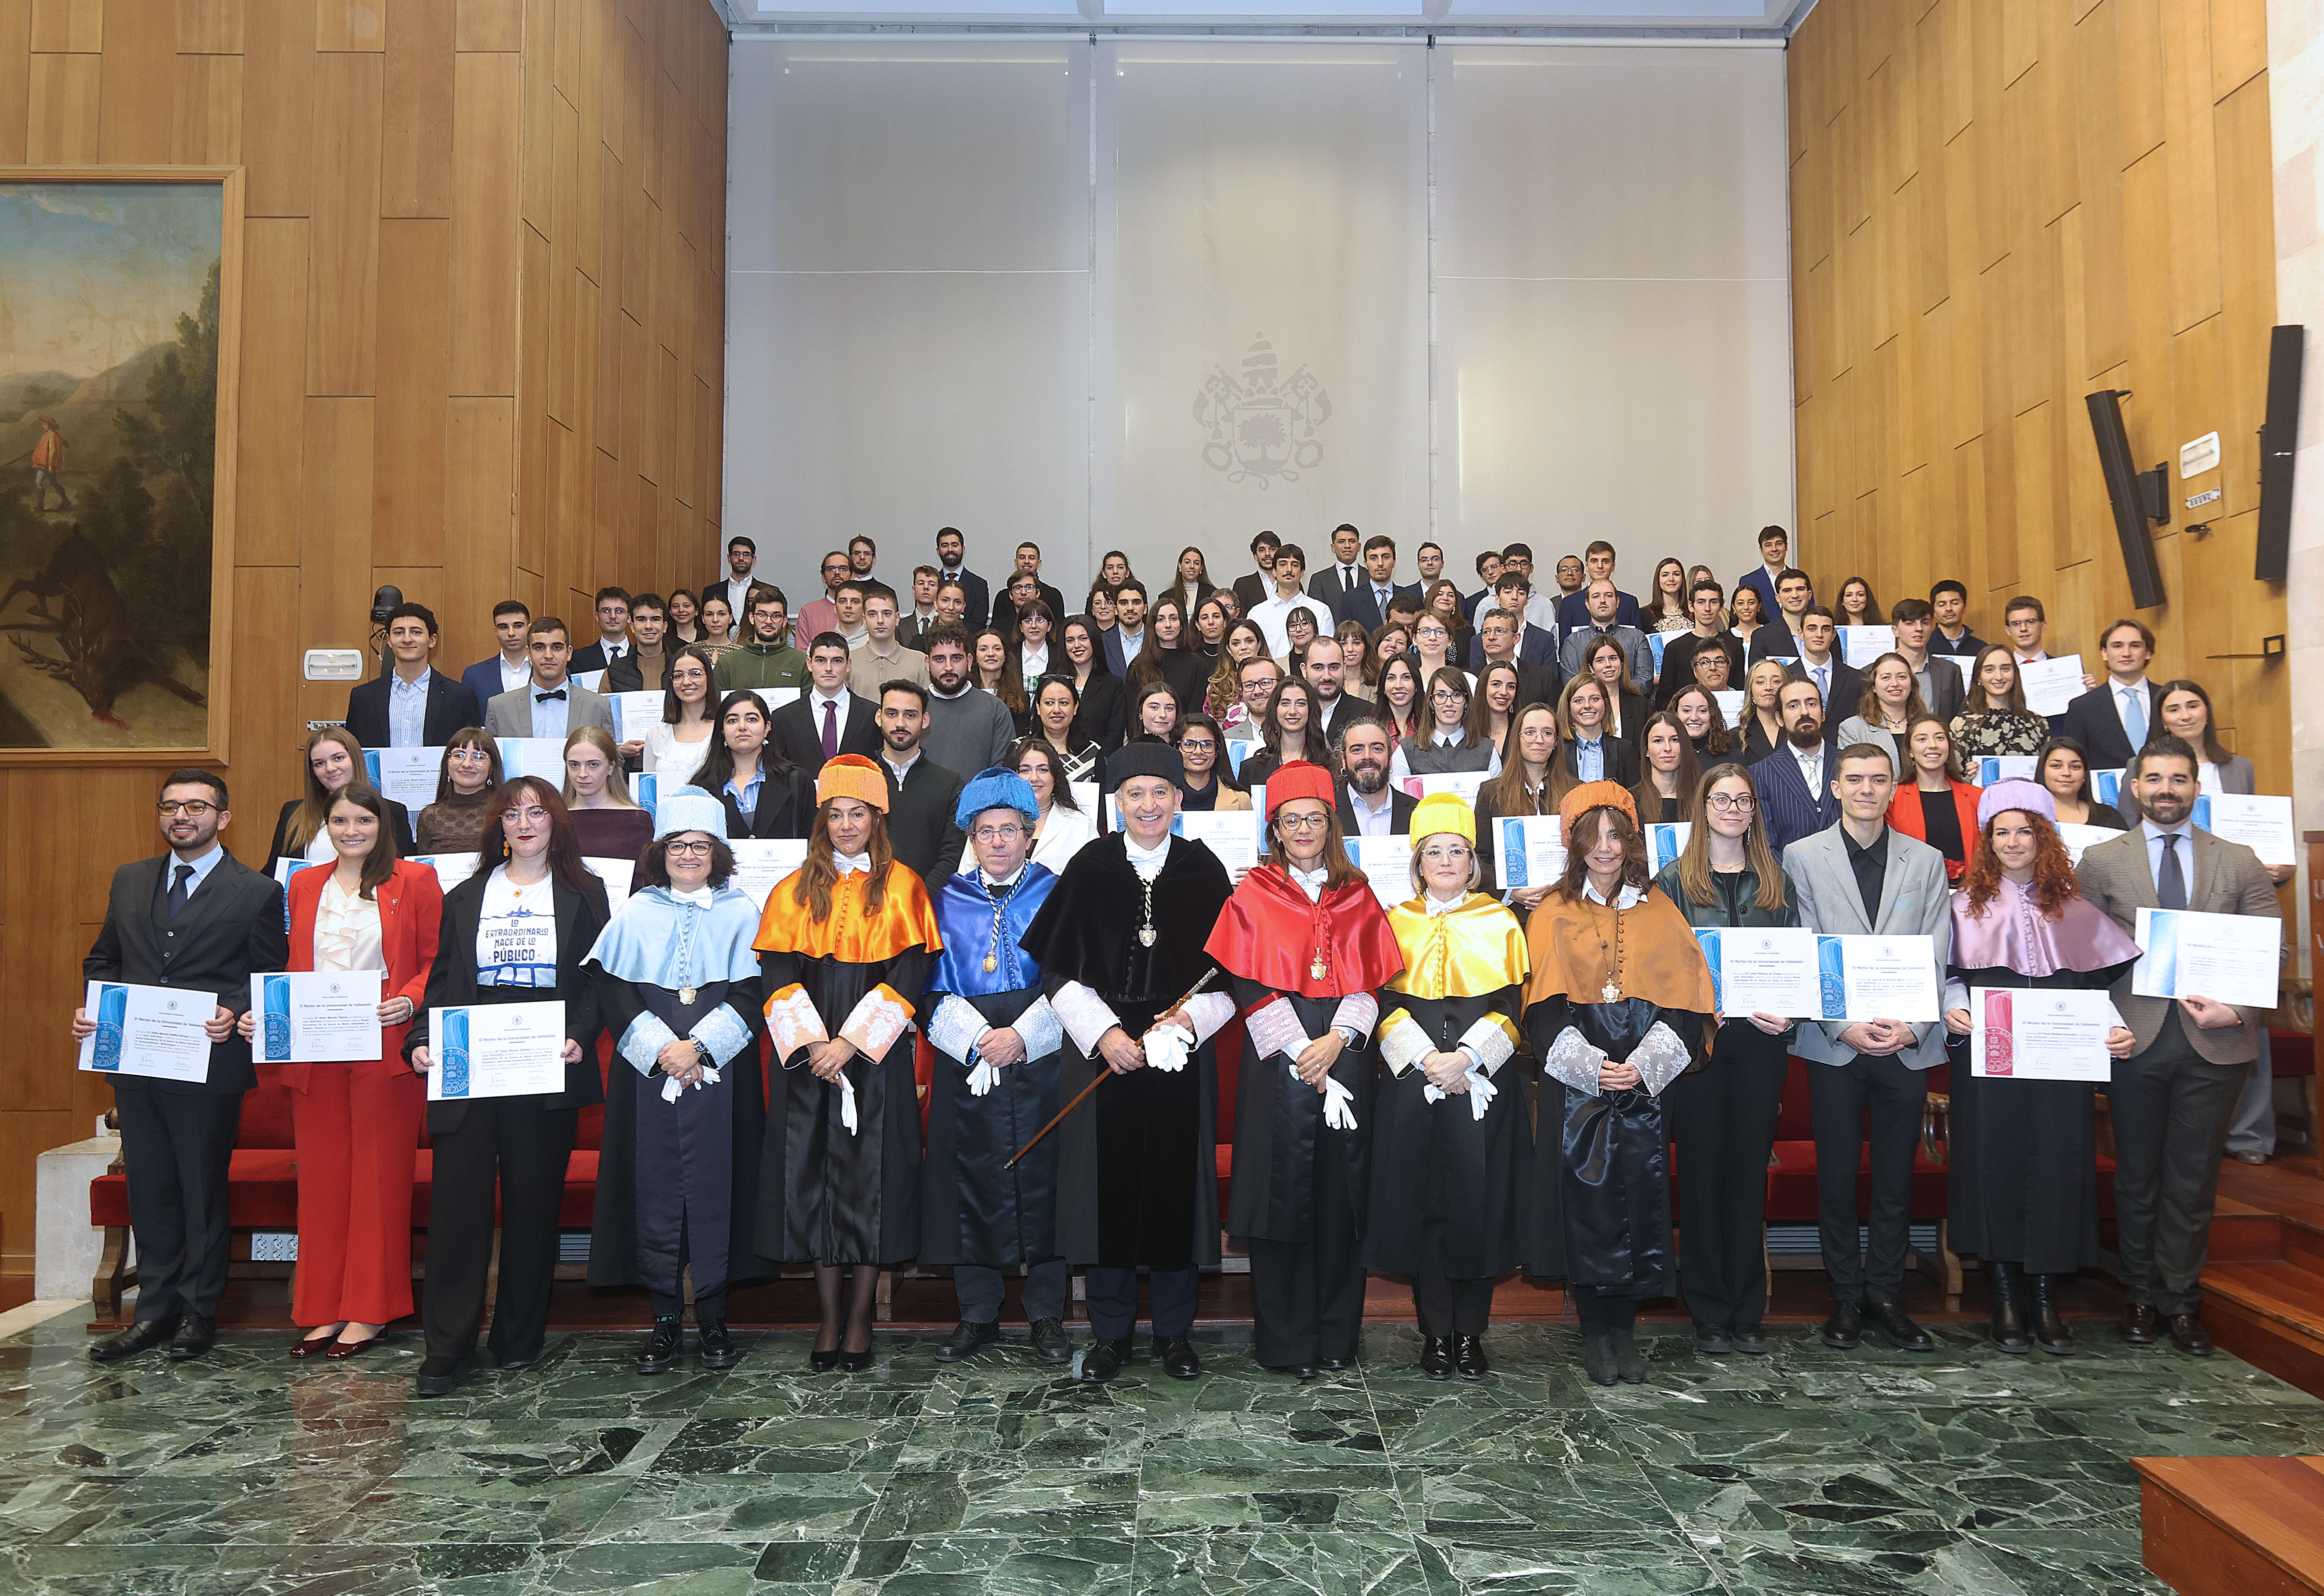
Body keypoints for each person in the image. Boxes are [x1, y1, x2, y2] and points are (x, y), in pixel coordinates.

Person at [1018, 743, 1238, 1383]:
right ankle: (1111, 1335)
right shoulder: (1090, 866)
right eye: (1136, 794)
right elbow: (1056, 971)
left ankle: (1174, 1333)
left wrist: (1188, 1024)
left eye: (1160, 793)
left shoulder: (1204, 869)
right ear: (1118, 802)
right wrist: (1105, 1034)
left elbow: (1229, 980)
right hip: (1104, 1055)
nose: (1148, 806)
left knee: (1176, 1190)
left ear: (1178, 799)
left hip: (1177, 1054)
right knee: (1103, 1192)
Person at [2074, 736, 2281, 1356]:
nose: (2167, 789)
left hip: (2216, 1042)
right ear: (2133, 788)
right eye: (2155, 778)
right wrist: (2098, 1021)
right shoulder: (2103, 861)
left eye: (2179, 779)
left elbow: (2273, 950)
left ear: (2196, 787)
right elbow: (2081, 958)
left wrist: (2236, 1008)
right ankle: (2138, 1295)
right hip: (2134, 1038)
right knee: (2137, 1176)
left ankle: (2181, 1301)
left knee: (2192, 1178)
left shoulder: (2240, 859)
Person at [405, 777, 609, 1397]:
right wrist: (420, 1038)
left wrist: (579, 1032)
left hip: (545, 1060)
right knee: (458, 1209)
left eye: (537, 813)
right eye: (513, 814)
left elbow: (599, 979)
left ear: (557, 823)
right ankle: (448, 1348)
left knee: (532, 1205)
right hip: (472, 1059)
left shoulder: (586, 891)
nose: (524, 824)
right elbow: (441, 981)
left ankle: (520, 1338)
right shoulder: (466, 894)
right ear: (497, 824)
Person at [78, 772, 289, 1364]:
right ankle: (153, 1313)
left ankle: (200, 1312)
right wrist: (98, 1008)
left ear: (223, 817)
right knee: (150, 1190)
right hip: (137, 1062)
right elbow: (103, 959)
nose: (181, 816)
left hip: (209, 1062)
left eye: (196, 806)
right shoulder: (130, 879)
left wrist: (236, 1011)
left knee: (200, 1190)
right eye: (170, 806)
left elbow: (268, 976)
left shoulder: (257, 891)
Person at [1208, 762, 1402, 1378]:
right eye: (1290, 820)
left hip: (1344, 1060)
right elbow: (1244, 979)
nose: (1302, 830)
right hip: (1277, 1066)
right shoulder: (1254, 893)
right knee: (1279, 1203)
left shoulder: (1358, 892)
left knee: (1338, 1202)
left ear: (1330, 824)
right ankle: (1286, 1341)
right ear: (1275, 828)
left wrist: (1339, 1040)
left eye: (1313, 818)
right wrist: (1300, 1048)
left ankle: (1337, 1335)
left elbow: (1375, 977)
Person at [754, 755, 943, 1371]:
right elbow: (778, 974)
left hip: (874, 1059)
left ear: (877, 817)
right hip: (808, 1062)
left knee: (870, 1184)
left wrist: (851, 1044)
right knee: (813, 1182)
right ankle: (828, 1314)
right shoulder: (790, 890)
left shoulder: (905, 886)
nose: (845, 825)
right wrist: (814, 1044)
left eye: (856, 813)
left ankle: (861, 1315)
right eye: (834, 814)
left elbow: (911, 973)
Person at [1938, 779, 2140, 1355]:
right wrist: (1953, 1006)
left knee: (2056, 1168)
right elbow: (1951, 973)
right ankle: (2004, 1296)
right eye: (2000, 831)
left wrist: (2113, 1026)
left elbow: (2089, 982)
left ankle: (2045, 1297)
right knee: (1992, 1166)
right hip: (1989, 1063)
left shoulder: (2075, 910)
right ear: (1987, 840)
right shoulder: (1961, 906)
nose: (2012, 841)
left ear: (2044, 837)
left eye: (2024, 830)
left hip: (2058, 1067)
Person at [1525, 782, 1715, 1385]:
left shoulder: (1662, 908)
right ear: (1575, 844)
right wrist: (1588, 1064)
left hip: (1644, 1082)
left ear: (1631, 840)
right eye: (1593, 837)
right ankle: (1594, 1332)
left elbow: (1686, 1005)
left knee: (1638, 1199)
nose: (1605, 849)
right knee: (1587, 1204)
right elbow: (1541, 1006)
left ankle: (1624, 1333)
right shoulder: (1552, 910)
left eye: (1616, 835)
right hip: (1579, 1079)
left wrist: (1646, 1063)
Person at [243, 784, 440, 1359]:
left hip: (384, 1044)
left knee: (379, 1182)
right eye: (339, 820)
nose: (351, 830)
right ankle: (322, 1309)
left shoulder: (416, 881)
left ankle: (371, 1311)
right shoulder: (304, 883)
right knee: (324, 1183)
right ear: (324, 825)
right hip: (315, 1046)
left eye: (362, 819)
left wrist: (409, 999)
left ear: (383, 824)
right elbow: (289, 964)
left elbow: (435, 961)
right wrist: (269, 1013)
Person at [583, 790, 769, 1374]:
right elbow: (613, 988)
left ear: (718, 854)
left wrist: (700, 1048)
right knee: (654, 1189)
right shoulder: (637, 912)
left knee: (721, 1185)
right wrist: (664, 1051)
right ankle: (665, 1319)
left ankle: (713, 1316)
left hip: (722, 1073)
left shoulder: (743, 911)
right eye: (678, 846)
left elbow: (754, 991)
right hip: (648, 1071)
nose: (689, 855)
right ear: (660, 853)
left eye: (700, 846)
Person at [1784, 742, 1953, 1354]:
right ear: (1836, 787)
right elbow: (1803, 943)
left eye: (1878, 779)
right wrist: (1842, 1023)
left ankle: (1887, 1294)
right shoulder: (1802, 856)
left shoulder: (1927, 859)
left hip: (1906, 1043)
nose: (1865, 789)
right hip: (1836, 1044)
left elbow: (1938, 945)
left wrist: (1912, 1024)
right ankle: (1846, 1297)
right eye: (1854, 779)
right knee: (1835, 1177)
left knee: (1893, 1179)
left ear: (1893, 788)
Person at [1366, 794, 1530, 1376]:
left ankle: (1471, 1333)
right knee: (1426, 1207)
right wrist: (1427, 1060)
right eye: (1433, 851)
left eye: (1456, 850)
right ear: (1417, 861)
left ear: (1472, 860)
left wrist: (1465, 1058)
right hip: (1414, 1084)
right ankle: (1435, 1333)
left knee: (1477, 1208)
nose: (1445, 860)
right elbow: (1381, 1004)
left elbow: (1515, 1007)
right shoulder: (1395, 921)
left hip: (1482, 1085)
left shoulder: (1500, 921)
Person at [920, 770, 1073, 1364]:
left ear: (1030, 835)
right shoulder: (946, 900)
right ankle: (977, 1311)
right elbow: (928, 991)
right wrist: (982, 1037)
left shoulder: (1057, 892)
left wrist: (1023, 1036)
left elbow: (1075, 981)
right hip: (971, 1055)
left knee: (1046, 1181)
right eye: (987, 832)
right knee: (971, 1180)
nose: (1000, 842)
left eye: (1011, 830)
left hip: (1041, 1052)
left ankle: (1045, 1314)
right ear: (971, 837)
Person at [1655, 764, 1799, 1354]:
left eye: (1743, 799)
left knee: (1745, 1177)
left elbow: (1797, 960)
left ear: (1754, 809)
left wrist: (1791, 1012)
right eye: (1722, 798)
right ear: (1703, 807)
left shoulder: (1777, 881)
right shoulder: (1673, 881)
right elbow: (1659, 971)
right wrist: (1693, 1012)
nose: (1733, 808)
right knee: (1703, 1176)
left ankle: (1747, 1307)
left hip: (1762, 1045)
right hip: (1699, 1050)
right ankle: (1708, 1308)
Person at [266, 727, 418, 873]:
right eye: (320, 763)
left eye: (338, 758)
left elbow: (405, 871)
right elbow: (273, 872)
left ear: (356, 759)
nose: (330, 768)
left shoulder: (392, 812)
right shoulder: (293, 812)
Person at [345, 602, 481, 748]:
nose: (407, 639)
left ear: (432, 640)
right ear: (389, 641)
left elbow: (472, 751)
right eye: (399, 633)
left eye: (416, 632)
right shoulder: (363, 697)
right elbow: (354, 752)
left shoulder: (460, 697)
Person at [1475, 703, 1569, 906]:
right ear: (1517, 739)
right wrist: (1510, 892)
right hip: (1513, 912)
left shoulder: (1576, 792)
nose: (1539, 740)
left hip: (1567, 906)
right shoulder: (1491, 793)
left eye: (1547, 733)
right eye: (1530, 732)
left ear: (1556, 742)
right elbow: (1478, 858)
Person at [700, 690, 818, 841]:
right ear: (722, 730)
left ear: (767, 727)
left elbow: (814, 843)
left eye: (752, 719)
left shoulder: (797, 781)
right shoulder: (703, 788)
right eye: (732, 721)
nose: (742, 727)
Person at [483, 616, 617, 743]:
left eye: (557, 648)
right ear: (529, 653)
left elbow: (613, 760)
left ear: (569, 653)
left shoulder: (598, 706)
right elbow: (490, 763)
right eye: (540, 648)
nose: (548, 655)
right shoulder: (499, 708)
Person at [1752, 677, 1842, 860]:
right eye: (1793, 706)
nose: (1804, 712)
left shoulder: (1849, 764)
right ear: (1780, 718)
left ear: (1823, 714)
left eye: (1812, 703)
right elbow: (1764, 843)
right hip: (1790, 881)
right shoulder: (1761, 773)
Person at [1886, 714, 1982, 882]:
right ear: (1910, 751)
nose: (1933, 745)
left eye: (1940, 738)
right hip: (1914, 895)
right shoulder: (1893, 799)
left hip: (1969, 894)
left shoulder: (1976, 797)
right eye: (1922, 739)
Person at [770, 634, 878, 776]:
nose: (829, 668)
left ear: (848, 665)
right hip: (803, 798)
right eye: (821, 661)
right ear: (809, 664)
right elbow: (779, 771)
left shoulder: (872, 715)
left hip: (856, 797)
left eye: (837, 661)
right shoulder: (784, 718)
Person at [920, 626, 1017, 780]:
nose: (949, 667)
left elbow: (1002, 773)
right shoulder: (913, 709)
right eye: (940, 659)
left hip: (980, 803)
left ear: (970, 661)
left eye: (956, 658)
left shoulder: (995, 709)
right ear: (927, 663)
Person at [561, 726, 653, 861]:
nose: (582, 774)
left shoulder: (636, 820)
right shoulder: (554, 819)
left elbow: (642, 878)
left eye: (593, 765)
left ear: (611, 767)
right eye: (575, 765)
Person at [1391, 667, 1498, 784]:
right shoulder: (1407, 751)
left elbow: (1496, 800)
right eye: (1441, 695)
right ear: (1431, 703)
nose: (1449, 703)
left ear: (1466, 702)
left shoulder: (1488, 751)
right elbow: (1400, 800)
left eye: (1457, 695)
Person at [1008, 735, 1098, 873]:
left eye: (1043, 770)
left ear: (1055, 777)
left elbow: (1097, 880)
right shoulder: (992, 820)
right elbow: (969, 881)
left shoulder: (1080, 825)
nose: (1034, 778)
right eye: (1025, 770)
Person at [1951, 645, 2052, 759]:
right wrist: (1968, 774)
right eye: (1990, 670)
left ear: (2015, 674)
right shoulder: (1962, 725)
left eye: (2006, 669)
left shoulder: (2037, 724)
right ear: (1979, 678)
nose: (1999, 677)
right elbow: (1954, 772)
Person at [640, 645, 718, 788]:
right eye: (679, 676)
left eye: (696, 674)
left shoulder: (724, 730)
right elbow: (649, 791)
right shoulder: (656, 734)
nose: (687, 682)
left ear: (709, 677)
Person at [416, 729, 504, 853]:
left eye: (478, 757)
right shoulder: (430, 816)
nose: (467, 764)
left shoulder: (505, 811)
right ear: (447, 764)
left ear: (492, 768)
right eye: (459, 755)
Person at [1836, 651, 1927, 767]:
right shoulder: (1853, 729)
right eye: (1886, 678)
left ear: (1912, 684)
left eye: (1902, 677)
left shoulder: (1928, 725)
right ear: (1874, 687)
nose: (1895, 683)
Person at [715, 588, 808, 695]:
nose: (769, 621)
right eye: (762, 615)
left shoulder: (802, 662)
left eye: (776, 616)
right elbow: (718, 707)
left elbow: (807, 707)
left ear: (784, 621)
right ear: (751, 618)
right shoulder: (727, 663)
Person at [1249, 542, 1334, 657]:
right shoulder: (1257, 613)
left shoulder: (1320, 609)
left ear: (1302, 572)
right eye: (1283, 564)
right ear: (1274, 571)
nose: (1289, 570)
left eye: (1295, 565)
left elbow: (1328, 652)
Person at [1888, 598, 1968, 722]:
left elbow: (1960, 719)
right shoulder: (1872, 672)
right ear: (1895, 630)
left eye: (1925, 623)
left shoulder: (1950, 671)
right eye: (1910, 623)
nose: (1919, 629)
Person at [1336, 715, 1417, 836]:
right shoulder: (1327, 812)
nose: (1367, 756)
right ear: (1344, 760)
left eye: (1377, 749)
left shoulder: (1417, 812)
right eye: (1357, 750)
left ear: (1390, 757)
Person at [1127, 594, 1208, 709]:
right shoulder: (1138, 666)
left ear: (1181, 625)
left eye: (1173, 619)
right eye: (1161, 620)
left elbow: (1196, 713)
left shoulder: (1198, 666)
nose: (1168, 625)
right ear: (1153, 626)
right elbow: (1132, 714)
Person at [1240, 676, 1320, 791]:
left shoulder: (1328, 765)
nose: (1293, 711)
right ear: (1275, 710)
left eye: (1301, 703)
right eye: (1285, 703)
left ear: (1311, 710)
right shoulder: (1252, 769)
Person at [1556, 675, 1637, 787]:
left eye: (1595, 699)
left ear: (1605, 704)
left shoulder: (1624, 750)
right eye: (1579, 701)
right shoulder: (1558, 751)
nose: (1588, 706)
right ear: (1569, 707)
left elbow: (1634, 797)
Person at [847, 589, 929, 699]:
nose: (880, 620)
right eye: (872, 614)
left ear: (897, 619)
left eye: (887, 614)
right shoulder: (849, 661)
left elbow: (927, 707)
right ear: (864, 620)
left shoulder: (919, 661)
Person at [1060, 616, 1126, 753]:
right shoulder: (1053, 683)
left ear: (1094, 641)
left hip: (1098, 765)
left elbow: (1115, 735)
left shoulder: (1114, 685)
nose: (1077, 645)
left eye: (1084, 638)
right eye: (1070, 640)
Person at [460, 598, 536, 711]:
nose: (511, 633)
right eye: (504, 627)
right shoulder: (474, 675)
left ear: (529, 629)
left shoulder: (552, 671)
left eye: (518, 626)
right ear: (496, 631)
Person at [1577, 635, 1651, 750]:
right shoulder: (1580, 706)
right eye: (1600, 660)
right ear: (1591, 668)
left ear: (1622, 664)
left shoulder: (1641, 705)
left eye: (1613, 658)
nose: (1608, 665)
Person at [1028, 674, 1103, 786]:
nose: (1057, 710)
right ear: (1038, 707)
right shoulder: (1020, 749)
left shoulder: (1093, 753)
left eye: (1064, 703)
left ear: (1075, 708)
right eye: (1049, 703)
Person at [2039, 736, 2128, 830]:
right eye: (2056, 766)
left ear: (2085, 774)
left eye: (2075, 767)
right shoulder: (2030, 816)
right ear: (2043, 770)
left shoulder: (2110, 817)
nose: (2066, 773)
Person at [1338, 533, 1415, 631]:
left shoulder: (1410, 596)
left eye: (1386, 557)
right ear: (1366, 564)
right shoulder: (1351, 598)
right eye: (1374, 558)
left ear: (1394, 561)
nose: (1380, 563)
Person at [1175, 712, 1250, 812]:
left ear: (1217, 751)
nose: (1198, 751)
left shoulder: (1242, 800)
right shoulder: (1160, 799)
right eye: (1189, 744)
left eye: (1207, 745)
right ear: (1177, 749)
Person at [1631, 712, 1697, 824]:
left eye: (1674, 740)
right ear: (1647, 750)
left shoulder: (1701, 798)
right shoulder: (1629, 801)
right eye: (1658, 741)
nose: (1668, 748)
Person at [989, 542, 1067, 635]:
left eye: (1031, 558)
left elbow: (1059, 632)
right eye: (1022, 557)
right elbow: (996, 631)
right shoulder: (1003, 597)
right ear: (1016, 562)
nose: (1026, 561)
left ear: (1039, 563)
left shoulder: (1053, 595)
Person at [605, 593, 673, 695]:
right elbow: (603, 710)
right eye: (642, 620)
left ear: (665, 627)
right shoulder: (614, 671)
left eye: (655, 619)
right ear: (632, 626)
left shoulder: (679, 667)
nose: (648, 626)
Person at [1745, 568, 1816, 663]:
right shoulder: (1763, 637)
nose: (1795, 595)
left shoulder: (1825, 632)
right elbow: (1757, 675)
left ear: (1809, 595)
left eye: (1800, 589)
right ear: (1778, 598)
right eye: (1787, 591)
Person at [1302, 636, 1362, 747]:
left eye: (1334, 667)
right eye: (1318, 668)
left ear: (1344, 668)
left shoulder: (1366, 714)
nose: (1327, 676)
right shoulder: (1293, 714)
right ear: (1304, 671)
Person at [969, 627, 1029, 733]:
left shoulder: (1021, 698)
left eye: (997, 649)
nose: (991, 654)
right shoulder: (965, 694)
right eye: (984, 649)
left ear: (1005, 656)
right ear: (975, 657)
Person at [1208, 618, 1268, 720]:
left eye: (1249, 641)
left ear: (1259, 645)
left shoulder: (1275, 680)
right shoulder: (1217, 687)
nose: (1244, 647)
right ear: (1229, 650)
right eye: (1236, 643)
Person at [934, 526, 990, 630]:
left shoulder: (979, 584)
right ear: (938, 551)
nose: (950, 549)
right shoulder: (933, 583)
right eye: (945, 546)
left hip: (967, 643)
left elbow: (979, 623)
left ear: (963, 549)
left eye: (955, 545)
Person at [1735, 657, 1788, 763]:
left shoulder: (1799, 732)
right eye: (1760, 682)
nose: (1769, 687)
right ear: (1751, 691)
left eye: (1776, 681)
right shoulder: (1735, 737)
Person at [1306, 523, 1368, 614]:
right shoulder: (1319, 579)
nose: (1347, 546)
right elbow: (1315, 615)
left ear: (1359, 547)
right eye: (1341, 542)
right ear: (1333, 548)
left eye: (1352, 541)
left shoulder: (1370, 576)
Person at [570, 586, 633, 674]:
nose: (613, 616)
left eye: (619, 611)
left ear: (629, 617)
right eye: (606, 611)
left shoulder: (642, 657)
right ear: (597, 617)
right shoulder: (579, 658)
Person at [1667, 683, 1734, 764]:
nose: (1694, 718)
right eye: (1687, 711)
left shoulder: (1732, 756)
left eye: (1702, 711)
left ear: (1712, 715)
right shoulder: (1666, 755)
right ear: (1676, 714)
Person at [1734, 524, 1791, 618]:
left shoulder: (1799, 579)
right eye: (1768, 545)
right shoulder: (1748, 581)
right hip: (1761, 631)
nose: (1774, 549)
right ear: (1761, 550)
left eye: (1779, 544)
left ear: (1786, 547)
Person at [795, 551, 851, 645]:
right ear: (823, 577)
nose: (837, 572)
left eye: (843, 569)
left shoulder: (862, 610)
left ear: (852, 575)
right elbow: (802, 653)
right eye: (831, 569)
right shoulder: (808, 612)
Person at [1374, 654, 1425, 750]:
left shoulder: (1431, 725)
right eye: (1391, 678)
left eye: (1406, 677)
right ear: (1384, 687)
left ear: (1416, 684)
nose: (1398, 686)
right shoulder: (1371, 727)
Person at [1101, 580, 1149, 677]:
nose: (1130, 608)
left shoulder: (1157, 639)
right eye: (1124, 603)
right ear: (1115, 610)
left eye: (1136, 602)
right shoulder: (1102, 641)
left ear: (1145, 609)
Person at [708, 535, 759, 622]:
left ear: (753, 559)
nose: (741, 558)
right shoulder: (711, 592)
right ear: (729, 558)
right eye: (736, 554)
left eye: (746, 554)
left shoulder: (766, 590)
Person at [1927, 579, 1985, 657]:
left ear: (1965, 607)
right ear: (1933, 611)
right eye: (1942, 605)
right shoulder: (1924, 647)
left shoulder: (1982, 649)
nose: (1949, 609)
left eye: (1955, 603)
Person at [1233, 530, 1282, 613]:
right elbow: (1240, 620)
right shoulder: (1243, 585)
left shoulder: (1291, 583)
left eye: (1272, 549)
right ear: (1255, 556)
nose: (1268, 554)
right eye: (1262, 550)